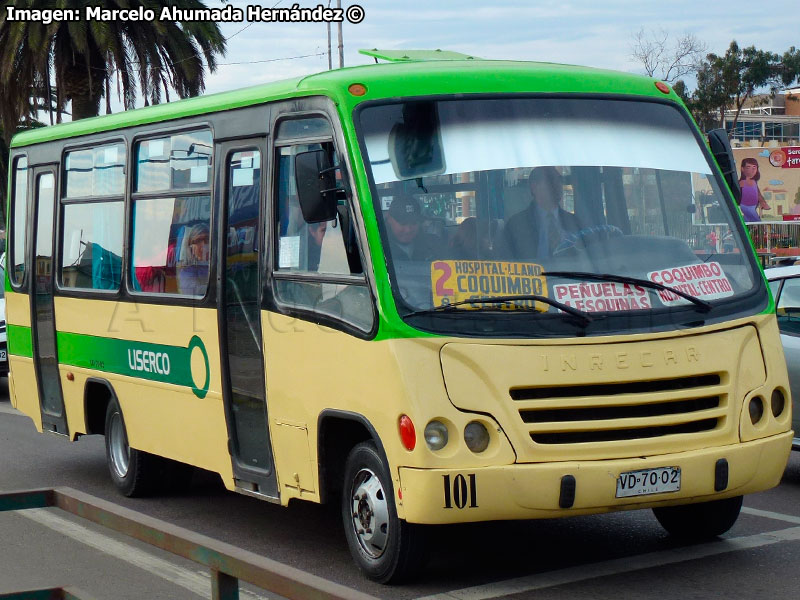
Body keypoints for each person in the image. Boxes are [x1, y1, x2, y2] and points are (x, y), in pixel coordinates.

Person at [502, 166, 578, 259]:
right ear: (534, 187)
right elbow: (506, 262)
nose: (557, 185)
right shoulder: (516, 226)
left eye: (559, 180)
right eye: (550, 181)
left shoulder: (574, 222)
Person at [384, 195, 441, 261]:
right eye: (403, 223)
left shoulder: (433, 245)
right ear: (389, 219)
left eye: (414, 223)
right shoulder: (378, 247)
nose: (408, 230)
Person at [738, 157, 769, 222]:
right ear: (742, 169)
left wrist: (763, 202)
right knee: (756, 221)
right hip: (746, 206)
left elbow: (758, 194)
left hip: (753, 206)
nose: (752, 170)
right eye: (748, 167)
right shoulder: (742, 182)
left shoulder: (754, 182)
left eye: (754, 168)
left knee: (746, 220)